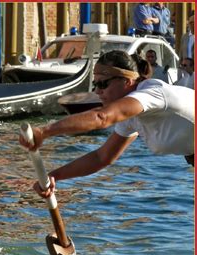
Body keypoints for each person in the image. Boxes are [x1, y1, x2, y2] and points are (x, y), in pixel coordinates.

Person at [19, 50, 194, 199]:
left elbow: (101, 118)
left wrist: (45, 131)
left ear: (127, 81)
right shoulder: (132, 115)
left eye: (103, 83)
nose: (97, 91)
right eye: (95, 84)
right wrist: (54, 176)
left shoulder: (152, 95)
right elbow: (101, 157)